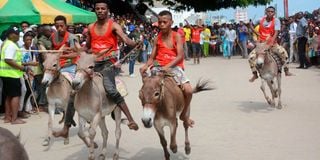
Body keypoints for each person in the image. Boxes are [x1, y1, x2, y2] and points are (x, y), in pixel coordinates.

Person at [85, 0, 139, 130]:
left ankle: (130, 120)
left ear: (107, 10)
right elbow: (87, 47)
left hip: (108, 62)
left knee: (110, 89)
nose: (100, 11)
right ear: (95, 10)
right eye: (97, 8)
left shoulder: (114, 25)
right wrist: (75, 51)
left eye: (103, 8)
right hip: (93, 62)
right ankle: (70, 122)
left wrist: (135, 43)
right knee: (77, 84)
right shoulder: (90, 27)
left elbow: (125, 40)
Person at [140, 10, 195, 128]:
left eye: (164, 22)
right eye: (160, 22)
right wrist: (145, 66)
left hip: (174, 67)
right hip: (158, 67)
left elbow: (180, 55)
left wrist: (167, 67)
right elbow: (152, 57)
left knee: (189, 91)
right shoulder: (157, 38)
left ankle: (184, 114)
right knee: (146, 90)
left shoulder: (177, 36)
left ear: (171, 22)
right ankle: (150, 112)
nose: (161, 24)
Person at [50, 15, 81, 138]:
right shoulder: (53, 37)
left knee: (74, 89)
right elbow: (52, 51)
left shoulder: (72, 37)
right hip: (57, 68)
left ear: (66, 26)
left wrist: (60, 56)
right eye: (57, 26)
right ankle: (65, 111)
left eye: (61, 26)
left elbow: (77, 53)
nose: (59, 28)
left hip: (70, 66)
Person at [248, 6, 293, 82]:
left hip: (272, 44)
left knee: (284, 54)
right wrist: (256, 33)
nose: (270, 13)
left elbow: (276, 32)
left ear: (274, 13)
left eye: (272, 12)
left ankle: (286, 70)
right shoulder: (260, 20)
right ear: (266, 12)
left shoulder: (276, 20)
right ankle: (255, 74)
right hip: (261, 45)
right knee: (251, 57)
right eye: (268, 11)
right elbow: (250, 24)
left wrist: (272, 41)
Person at [0, 26, 32, 124]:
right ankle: (14, 118)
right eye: (16, 33)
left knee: (8, 96)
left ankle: (7, 117)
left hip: (6, 74)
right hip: (12, 74)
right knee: (15, 96)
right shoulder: (11, 45)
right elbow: (8, 60)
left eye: (18, 33)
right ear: (10, 35)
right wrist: (23, 68)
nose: (18, 35)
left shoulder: (7, 44)